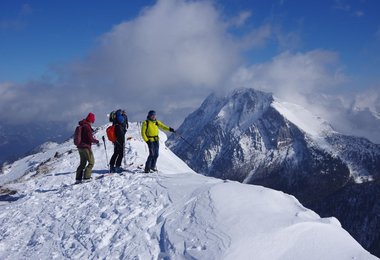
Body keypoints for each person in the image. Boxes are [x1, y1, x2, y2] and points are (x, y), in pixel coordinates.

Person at [75, 112, 99, 183]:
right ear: (91, 120)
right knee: (91, 162)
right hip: (86, 147)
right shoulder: (87, 127)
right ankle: (87, 177)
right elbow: (90, 138)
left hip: (80, 147)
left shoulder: (82, 125)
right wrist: (96, 141)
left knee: (82, 163)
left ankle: (78, 179)